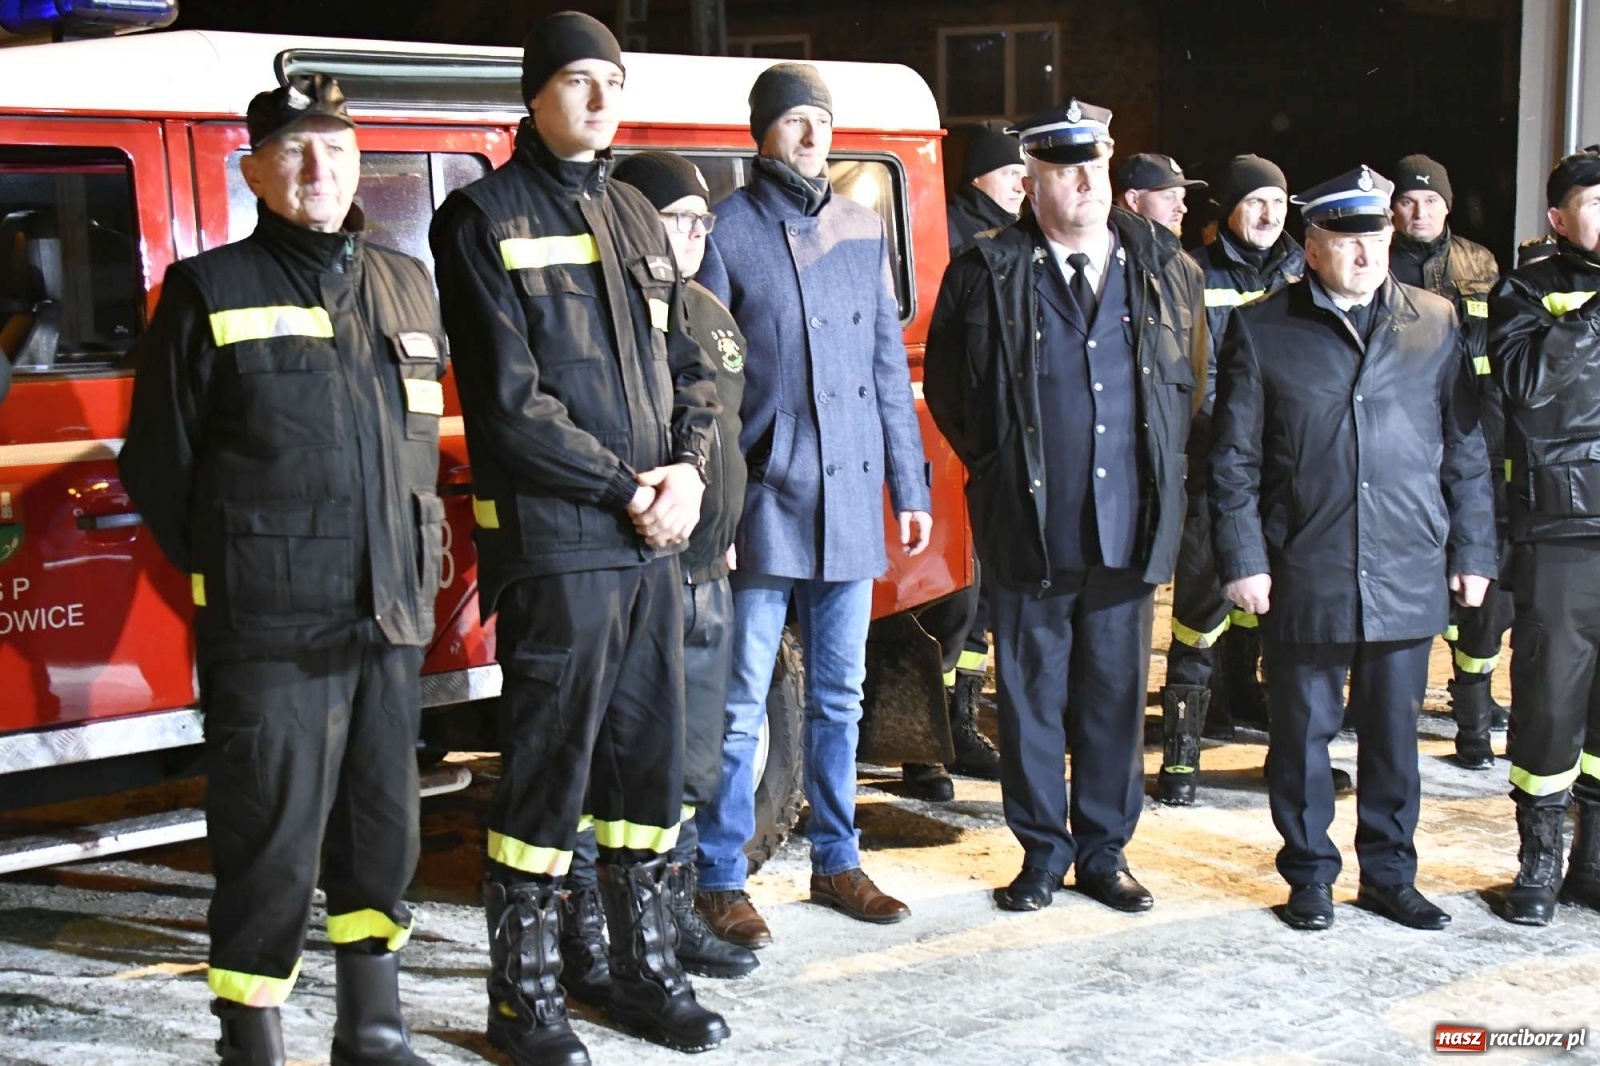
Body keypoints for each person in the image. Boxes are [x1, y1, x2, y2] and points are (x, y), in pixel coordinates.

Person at [119, 75, 441, 1065]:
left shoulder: (406, 284)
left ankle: (371, 1024)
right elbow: (159, 464)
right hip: (271, 629)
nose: (317, 169)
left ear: (359, 165)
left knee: (383, 828)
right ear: (253, 170)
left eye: (336, 152)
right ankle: (251, 1038)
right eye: (295, 152)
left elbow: (413, 445)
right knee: (267, 840)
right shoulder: (210, 288)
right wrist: (245, 564)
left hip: (390, 613)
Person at [429, 12, 727, 1061]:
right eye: (576, 81)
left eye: (611, 80)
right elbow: (511, 409)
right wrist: (627, 487)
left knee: (647, 769)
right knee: (548, 773)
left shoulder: (640, 216)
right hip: (562, 545)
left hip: (649, 537)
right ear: (535, 95)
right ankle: (526, 996)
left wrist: (687, 467)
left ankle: (643, 973)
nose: (599, 100)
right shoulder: (478, 217)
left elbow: (691, 365)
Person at [924, 97, 1205, 914]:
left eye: (1095, 168)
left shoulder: (1163, 265)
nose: (1085, 183)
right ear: (1031, 183)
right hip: (1030, 530)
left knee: (1116, 698)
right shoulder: (986, 271)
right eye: (1063, 170)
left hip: (1128, 526)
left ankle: (1105, 853)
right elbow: (951, 391)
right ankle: (1042, 852)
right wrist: (1002, 468)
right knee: (1032, 697)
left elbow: (1191, 381)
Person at [1211, 165, 1497, 933]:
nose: (1367, 255)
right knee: (1302, 735)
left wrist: (1473, 551)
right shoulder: (1264, 327)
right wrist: (1244, 558)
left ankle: (1390, 875)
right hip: (1308, 561)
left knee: (1396, 739)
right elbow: (1233, 460)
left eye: (1376, 238)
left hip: (1406, 561)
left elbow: (1465, 451)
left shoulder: (1434, 321)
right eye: (1347, 241)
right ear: (1312, 248)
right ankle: (1308, 874)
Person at [693, 61, 933, 945]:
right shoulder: (729, 229)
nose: (809, 135)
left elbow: (884, 371)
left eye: (819, 121)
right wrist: (719, 511)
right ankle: (719, 875)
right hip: (764, 499)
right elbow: (708, 387)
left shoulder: (863, 229)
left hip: (849, 499)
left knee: (842, 695)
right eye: (792, 121)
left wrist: (907, 485)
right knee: (741, 700)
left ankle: (837, 861)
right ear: (761, 133)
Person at [556, 149, 759, 989]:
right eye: (679, 218)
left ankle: (668, 916)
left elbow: (726, 426)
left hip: (708, 566)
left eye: (704, 221)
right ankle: (588, 925)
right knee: (613, 758)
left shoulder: (707, 309)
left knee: (691, 760)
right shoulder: (608, 311)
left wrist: (726, 525)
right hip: (641, 568)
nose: (695, 234)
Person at [1487, 145, 1600, 926]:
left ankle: (1591, 863)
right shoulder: (1524, 290)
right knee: (1550, 704)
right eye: (1596, 201)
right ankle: (1539, 860)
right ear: (1559, 219)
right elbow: (1528, 389)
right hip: (1563, 527)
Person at [899, 123, 1024, 801]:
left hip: (994, 439)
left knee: (981, 596)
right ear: (980, 177)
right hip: (957, 437)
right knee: (947, 592)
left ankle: (954, 725)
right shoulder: (951, 236)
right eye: (1012, 175)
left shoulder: (1020, 240)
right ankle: (929, 743)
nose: (1023, 186)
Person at [1173, 155, 1307, 742]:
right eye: (1255, 201)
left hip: (1284, 467)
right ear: (1230, 209)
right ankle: (1183, 750)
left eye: (1278, 203)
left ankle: (1241, 701)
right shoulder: (1195, 273)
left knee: (1270, 600)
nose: (1268, 214)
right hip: (1214, 465)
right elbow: (1190, 373)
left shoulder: (1302, 271)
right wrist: (1231, 434)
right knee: (1201, 605)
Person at [1390, 154, 1508, 769]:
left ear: (1447, 204)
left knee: (1475, 586)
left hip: (1468, 430)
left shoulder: (1479, 263)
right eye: (1408, 201)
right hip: (1404, 433)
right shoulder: (1378, 259)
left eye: (1430, 200)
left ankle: (1473, 718)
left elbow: (1491, 356)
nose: (1419, 211)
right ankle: (1384, 709)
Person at [1114, 151, 1213, 804]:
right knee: (1114, 618)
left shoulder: (1186, 270)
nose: (1181, 205)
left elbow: (1196, 373)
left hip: (1169, 467)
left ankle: (1161, 755)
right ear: (1131, 200)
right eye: (1168, 194)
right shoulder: (1108, 265)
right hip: (1117, 474)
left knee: (1173, 612)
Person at [946, 121, 1027, 253]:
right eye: (1011, 174)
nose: (1021, 188)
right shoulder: (946, 232)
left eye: (1026, 176)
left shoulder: (1024, 231)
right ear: (976, 176)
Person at [1116, 152, 1206, 238]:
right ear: (1133, 200)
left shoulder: (1163, 250)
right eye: (1169, 197)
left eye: (1182, 198)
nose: (1183, 208)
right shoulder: (1108, 249)